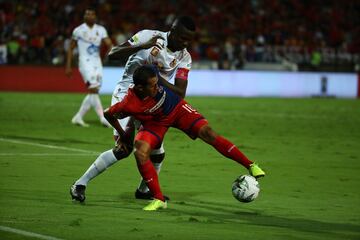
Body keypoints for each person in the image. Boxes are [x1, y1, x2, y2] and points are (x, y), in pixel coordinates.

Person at [103, 65, 265, 211]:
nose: (157, 87)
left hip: (176, 108)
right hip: (155, 121)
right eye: (152, 86)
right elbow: (108, 114)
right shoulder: (129, 103)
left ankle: (250, 165)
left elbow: (154, 68)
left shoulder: (151, 75)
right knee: (140, 152)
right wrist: (123, 134)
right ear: (139, 88)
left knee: (208, 133)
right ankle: (158, 199)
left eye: (156, 82)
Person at [70, 16, 196, 202]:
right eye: (182, 37)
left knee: (158, 152)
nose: (185, 43)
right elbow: (112, 54)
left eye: (189, 40)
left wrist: (155, 78)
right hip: (126, 93)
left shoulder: (184, 57)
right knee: (124, 149)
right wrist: (141, 47)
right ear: (172, 30)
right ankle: (80, 184)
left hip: (152, 102)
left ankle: (144, 190)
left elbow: (180, 93)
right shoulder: (148, 36)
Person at [65, 7, 113, 127]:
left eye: (91, 14)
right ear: (84, 16)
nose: (89, 16)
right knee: (93, 89)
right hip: (84, 62)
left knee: (94, 90)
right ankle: (103, 117)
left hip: (97, 63)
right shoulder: (78, 30)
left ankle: (78, 117)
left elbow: (109, 44)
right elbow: (71, 48)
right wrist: (68, 65)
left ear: (95, 17)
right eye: (87, 14)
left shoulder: (101, 30)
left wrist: (108, 54)